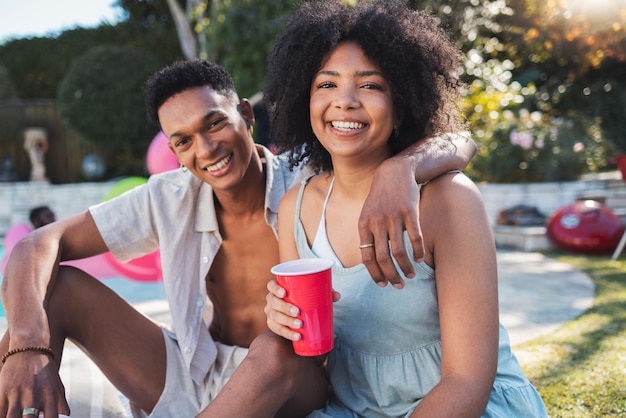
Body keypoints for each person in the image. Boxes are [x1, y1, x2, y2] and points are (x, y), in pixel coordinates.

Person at [0, 58, 475, 417]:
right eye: (183, 141)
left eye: (215, 123)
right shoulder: (168, 195)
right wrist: (27, 344)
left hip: (292, 382)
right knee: (54, 289)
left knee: (273, 348)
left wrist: (402, 167)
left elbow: (460, 141)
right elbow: (36, 244)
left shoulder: (309, 179)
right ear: (174, 151)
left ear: (246, 115)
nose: (205, 149)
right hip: (195, 373)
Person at [264, 1, 549, 417]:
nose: (344, 101)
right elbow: (316, 366)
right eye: (326, 84)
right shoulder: (296, 207)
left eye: (370, 85)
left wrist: (401, 169)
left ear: (402, 104)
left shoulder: (448, 200)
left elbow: (467, 381)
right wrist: (286, 324)